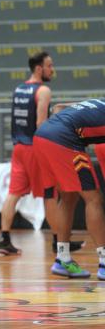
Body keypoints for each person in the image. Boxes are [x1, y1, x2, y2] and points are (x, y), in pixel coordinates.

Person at [0, 52, 84, 255]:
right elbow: (40, 124)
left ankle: (4, 239)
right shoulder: (43, 90)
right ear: (39, 68)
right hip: (34, 149)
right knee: (50, 194)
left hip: (18, 148)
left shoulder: (19, 89)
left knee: (13, 194)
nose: (52, 69)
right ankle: (58, 240)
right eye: (49, 65)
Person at [33, 98, 105, 280]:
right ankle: (104, 262)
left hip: (42, 135)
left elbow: (58, 109)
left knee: (68, 197)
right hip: (63, 140)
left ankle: (62, 259)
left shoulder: (98, 103)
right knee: (94, 199)